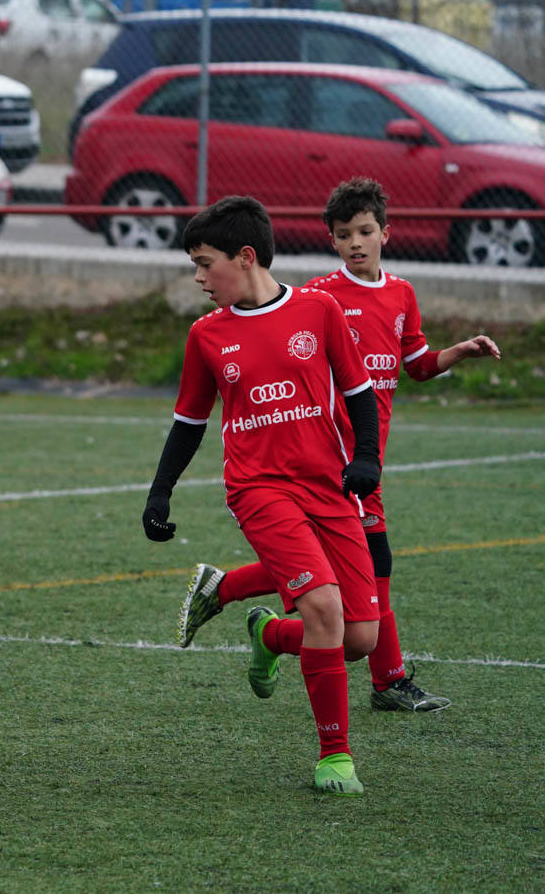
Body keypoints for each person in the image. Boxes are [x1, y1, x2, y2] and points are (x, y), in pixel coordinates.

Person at [176, 178, 500, 714]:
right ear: (331, 240)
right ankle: (388, 679)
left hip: (366, 460)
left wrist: (457, 352)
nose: (356, 242)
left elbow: (414, 364)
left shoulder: (401, 294)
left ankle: (245, 606)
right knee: (373, 565)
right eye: (344, 233)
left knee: (345, 574)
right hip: (332, 462)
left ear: (385, 235)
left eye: (365, 231)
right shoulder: (321, 298)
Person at [141, 195, 383, 796]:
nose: (198, 278)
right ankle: (335, 756)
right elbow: (189, 423)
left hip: (328, 487)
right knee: (324, 607)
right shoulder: (206, 335)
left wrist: (367, 458)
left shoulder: (319, 310)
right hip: (258, 489)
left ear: (245, 257)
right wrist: (160, 492)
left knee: (359, 638)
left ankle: (269, 634)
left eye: (204, 263)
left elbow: (357, 391)